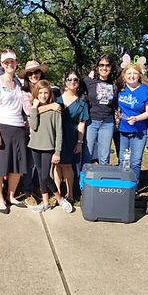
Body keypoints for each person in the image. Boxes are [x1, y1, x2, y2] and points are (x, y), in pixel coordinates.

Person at [0, 50, 28, 214]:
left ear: (16, 63)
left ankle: (11, 196)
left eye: (12, 62)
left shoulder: (18, 85)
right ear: (2, 64)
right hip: (2, 127)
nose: (10, 64)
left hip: (18, 128)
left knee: (16, 166)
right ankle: (0, 199)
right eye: (6, 62)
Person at [28, 80, 72, 213]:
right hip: (35, 146)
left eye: (45, 93)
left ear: (50, 94)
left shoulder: (56, 110)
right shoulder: (34, 109)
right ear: (36, 94)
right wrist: (35, 107)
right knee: (41, 174)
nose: (43, 96)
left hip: (48, 147)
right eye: (40, 93)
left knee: (45, 176)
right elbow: (33, 125)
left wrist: (57, 152)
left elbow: (59, 132)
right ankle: (45, 202)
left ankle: (59, 198)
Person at [19, 60, 58, 206]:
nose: (33, 75)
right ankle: (28, 191)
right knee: (30, 164)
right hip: (31, 133)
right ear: (27, 76)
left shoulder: (47, 90)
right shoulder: (24, 92)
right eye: (30, 73)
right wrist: (50, 106)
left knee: (41, 167)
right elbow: (29, 111)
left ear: (41, 73)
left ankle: (39, 189)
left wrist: (49, 106)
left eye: (36, 72)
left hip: (46, 135)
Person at [53, 71, 89, 201]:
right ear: (65, 81)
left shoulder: (82, 103)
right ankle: (58, 195)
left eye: (75, 79)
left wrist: (79, 142)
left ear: (79, 82)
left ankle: (70, 195)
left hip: (71, 135)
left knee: (67, 165)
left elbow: (81, 124)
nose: (72, 82)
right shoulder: (56, 97)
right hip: (56, 134)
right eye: (69, 79)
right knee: (56, 164)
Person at [116, 62, 148, 185]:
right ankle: (123, 185)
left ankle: (133, 187)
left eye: (135, 73)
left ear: (139, 75)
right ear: (124, 75)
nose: (132, 76)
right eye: (129, 73)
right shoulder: (120, 88)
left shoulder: (145, 90)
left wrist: (136, 118)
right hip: (123, 131)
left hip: (139, 131)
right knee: (122, 160)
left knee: (135, 161)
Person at [83, 54, 118, 165]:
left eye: (107, 65)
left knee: (104, 156)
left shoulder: (114, 82)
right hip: (91, 121)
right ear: (97, 67)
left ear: (111, 67)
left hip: (107, 122)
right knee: (87, 154)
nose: (104, 68)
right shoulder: (89, 81)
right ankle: (85, 180)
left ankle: (102, 180)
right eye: (101, 65)